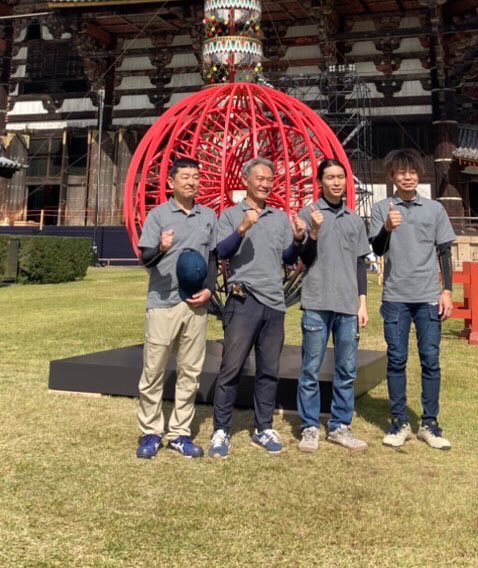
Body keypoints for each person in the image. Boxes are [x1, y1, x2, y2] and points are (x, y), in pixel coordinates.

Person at [208, 157, 305, 457]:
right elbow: (220, 252)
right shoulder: (229, 214)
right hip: (242, 300)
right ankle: (221, 431)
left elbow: (288, 258)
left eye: (269, 179)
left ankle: (263, 427)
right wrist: (241, 228)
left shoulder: (279, 217)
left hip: (274, 303)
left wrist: (300, 239)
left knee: (268, 370)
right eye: (259, 178)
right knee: (231, 368)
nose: (265, 183)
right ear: (246, 179)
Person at [369, 148, 455, 451]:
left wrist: (447, 291)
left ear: (419, 176)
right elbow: (377, 249)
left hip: (429, 295)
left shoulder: (434, 210)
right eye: (401, 172)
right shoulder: (382, 208)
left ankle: (430, 423)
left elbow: (445, 251)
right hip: (395, 296)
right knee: (396, 359)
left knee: (430, 360)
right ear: (391, 176)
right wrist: (387, 229)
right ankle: (399, 422)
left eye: (412, 172)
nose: (408, 177)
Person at [135, 157, 217, 459]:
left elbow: (213, 258)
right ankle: (150, 432)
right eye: (185, 176)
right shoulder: (157, 216)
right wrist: (162, 248)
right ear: (171, 182)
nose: (191, 182)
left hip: (195, 305)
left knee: (190, 372)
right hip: (162, 303)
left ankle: (180, 433)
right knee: (153, 370)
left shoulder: (208, 216)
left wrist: (209, 287)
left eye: (196, 176)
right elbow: (146, 259)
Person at [296, 158, 370, 453]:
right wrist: (312, 231)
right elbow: (303, 256)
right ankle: (310, 426)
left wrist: (361, 303)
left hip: (347, 305)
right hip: (316, 300)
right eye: (330, 177)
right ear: (320, 181)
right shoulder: (309, 212)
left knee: (346, 369)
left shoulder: (354, 219)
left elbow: (360, 264)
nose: (337, 182)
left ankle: (340, 425)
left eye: (341, 177)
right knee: (310, 368)